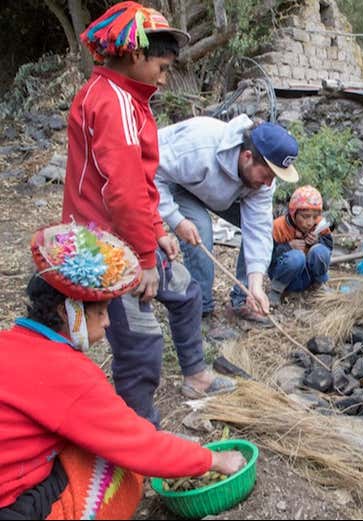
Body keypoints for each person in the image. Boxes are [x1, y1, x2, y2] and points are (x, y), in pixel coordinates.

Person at [60, 2, 233, 427]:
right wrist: (142, 260)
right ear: (136, 55)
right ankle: (139, 429)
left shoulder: (129, 98)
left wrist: (158, 229)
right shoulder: (112, 102)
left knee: (185, 291)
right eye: (162, 64)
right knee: (139, 340)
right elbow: (121, 190)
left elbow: (141, 179)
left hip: (131, 232)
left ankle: (195, 374)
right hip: (107, 245)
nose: (165, 74)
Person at [0, 223, 246, 520]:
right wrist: (214, 460)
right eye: (101, 312)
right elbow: (140, 446)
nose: (107, 323)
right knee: (121, 470)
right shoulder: (69, 374)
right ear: (67, 311)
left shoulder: (10, 341)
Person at [155, 115, 300, 326]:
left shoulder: (261, 180)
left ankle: (243, 299)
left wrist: (256, 284)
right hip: (175, 181)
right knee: (200, 229)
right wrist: (176, 219)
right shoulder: (197, 147)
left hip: (217, 191)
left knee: (267, 225)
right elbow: (151, 173)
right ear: (247, 156)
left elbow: (258, 228)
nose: (269, 183)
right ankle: (200, 309)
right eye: (267, 175)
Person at [268, 185, 333, 306]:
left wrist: (317, 241)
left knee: (320, 251)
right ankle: (276, 292)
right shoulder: (278, 227)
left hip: (309, 277)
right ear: (293, 213)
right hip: (286, 278)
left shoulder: (320, 225)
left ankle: (319, 285)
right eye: (305, 217)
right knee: (297, 257)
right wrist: (287, 246)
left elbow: (329, 249)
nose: (310, 222)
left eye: (314, 217)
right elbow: (266, 257)